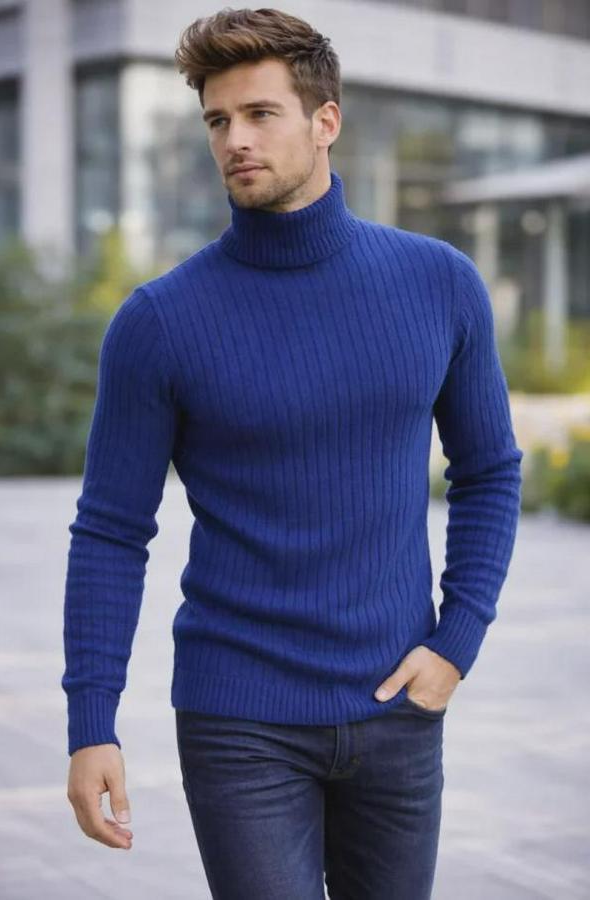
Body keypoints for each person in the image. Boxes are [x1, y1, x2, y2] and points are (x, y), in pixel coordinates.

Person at [62, 7, 524, 898]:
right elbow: (111, 531)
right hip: (238, 717)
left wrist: (458, 639)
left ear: (325, 121)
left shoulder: (439, 284)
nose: (234, 139)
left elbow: (489, 471)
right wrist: (92, 722)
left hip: (398, 706)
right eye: (217, 120)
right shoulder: (159, 322)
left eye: (260, 113)